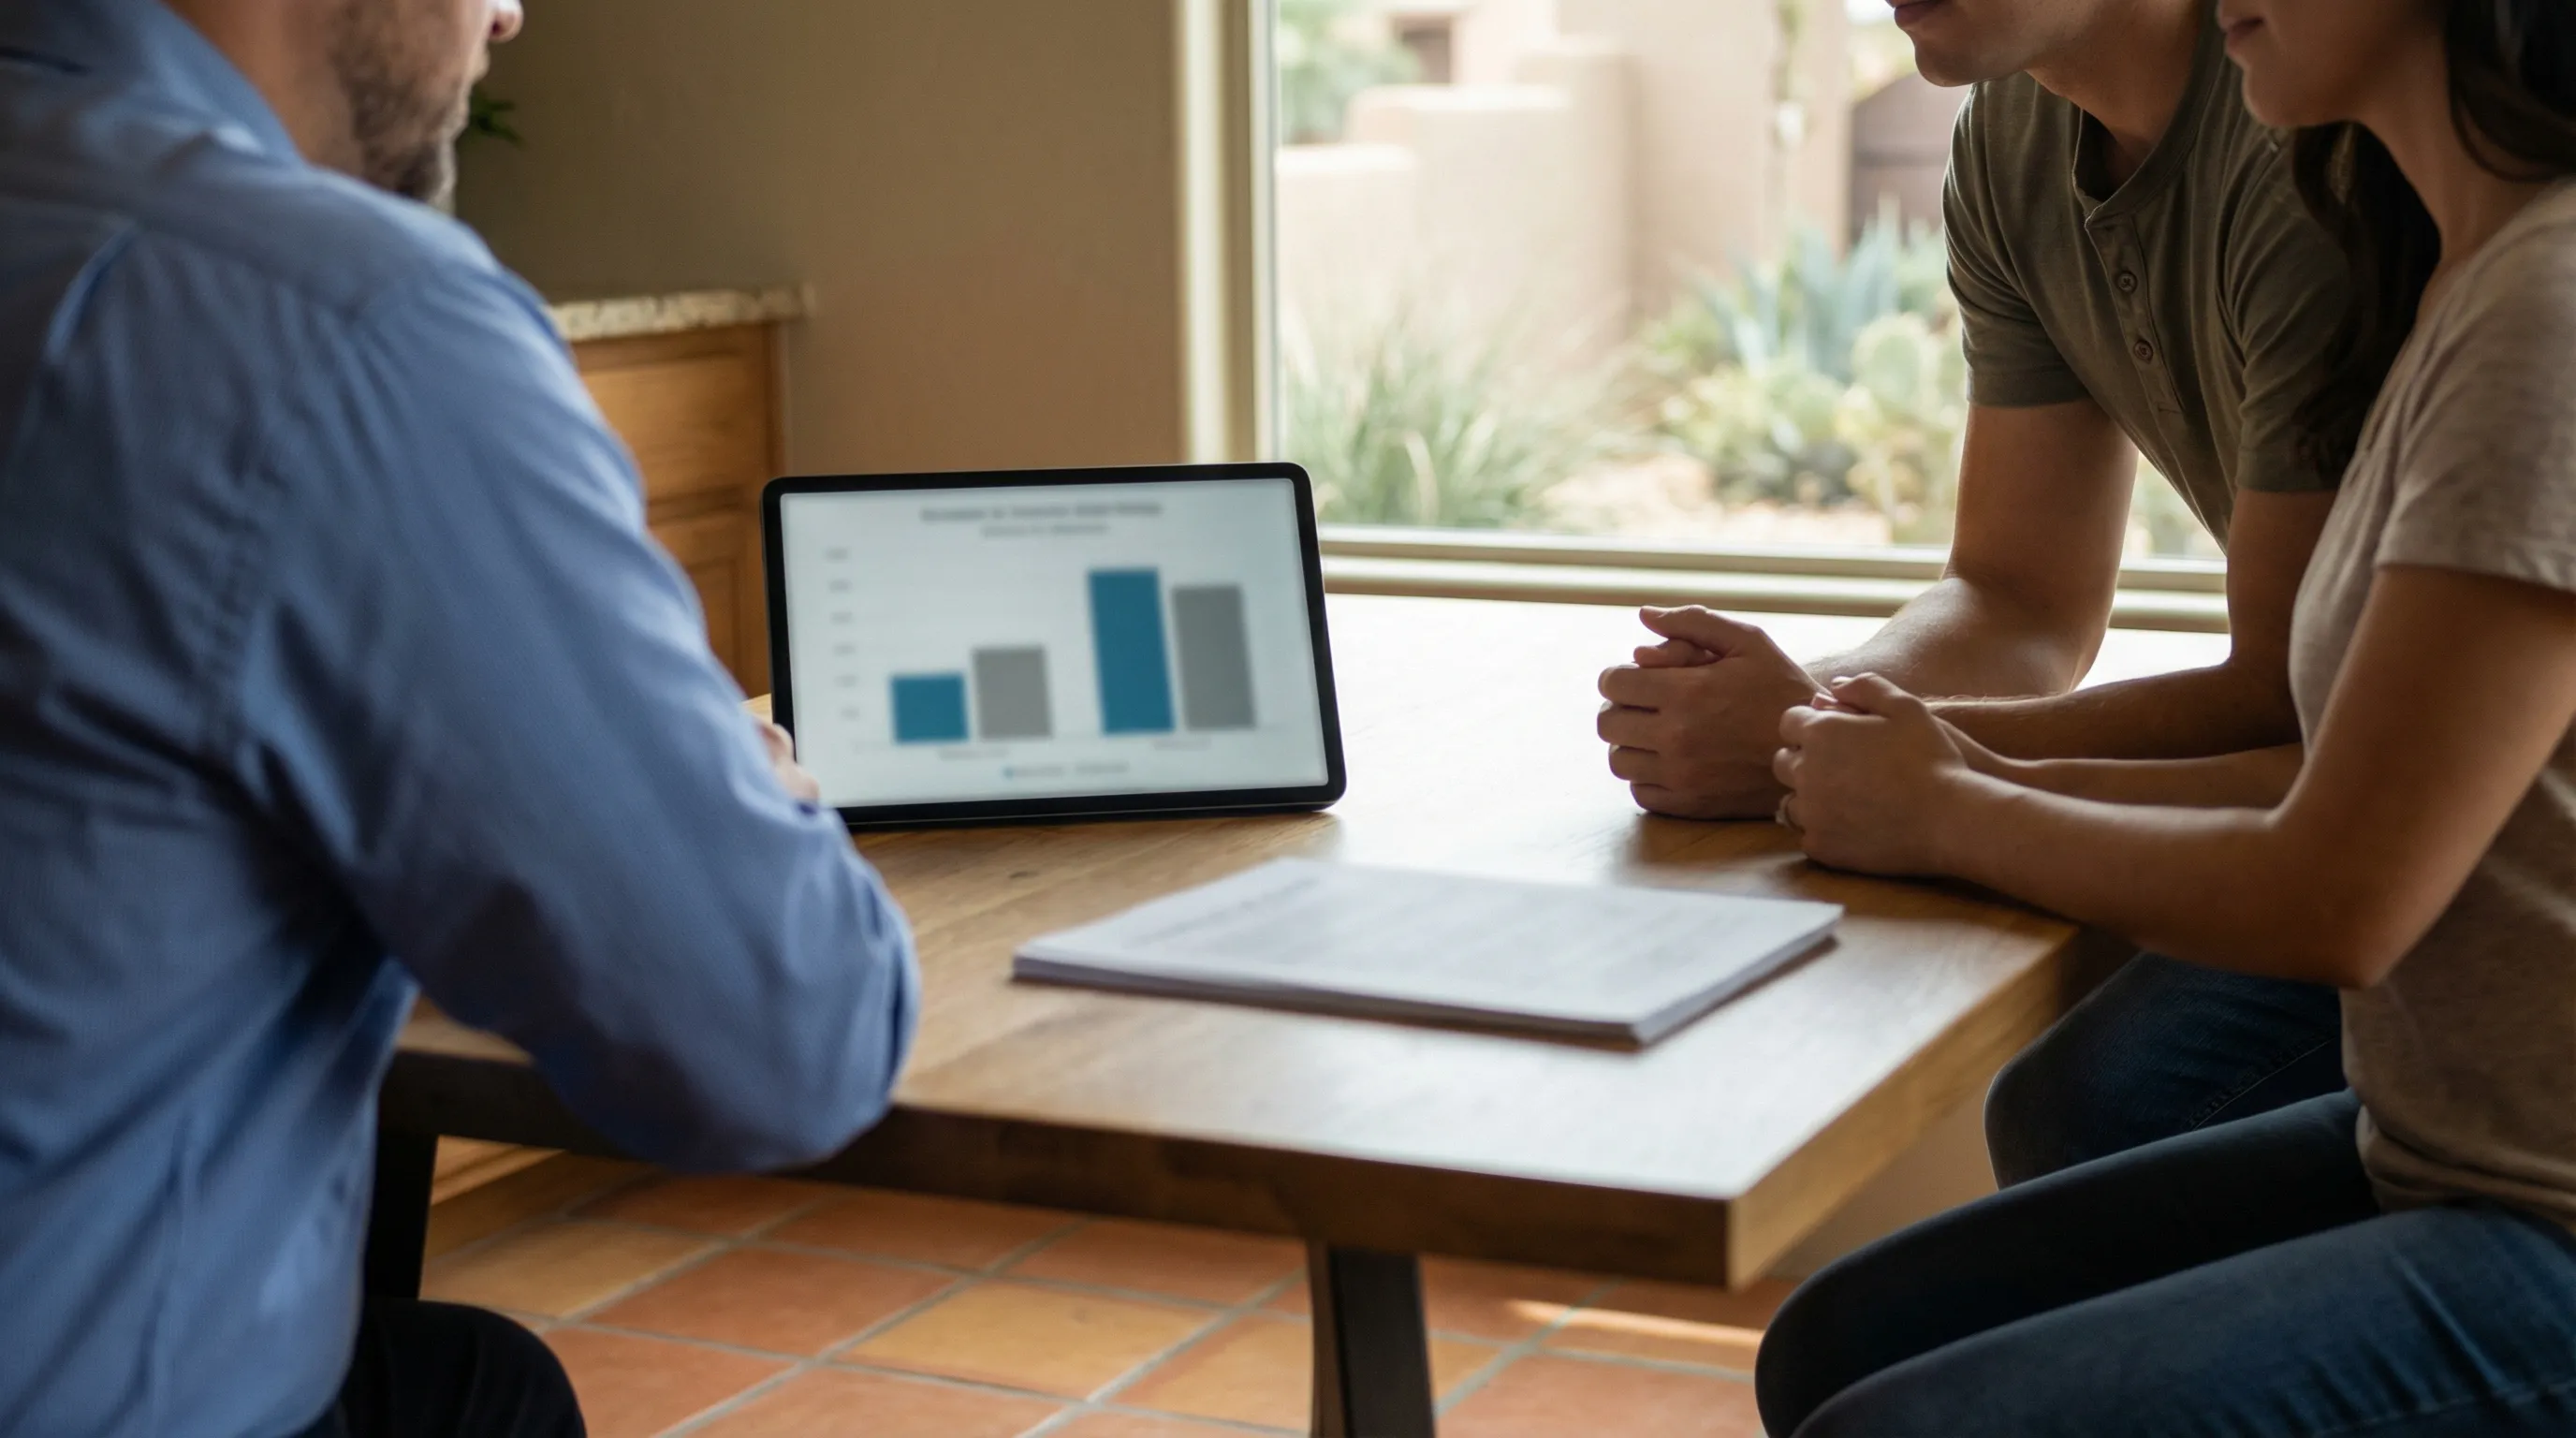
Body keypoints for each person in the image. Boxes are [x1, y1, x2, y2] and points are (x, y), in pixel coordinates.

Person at [0, 1, 921, 1435]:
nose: (508, 12)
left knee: (478, 1385)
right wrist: (752, 795)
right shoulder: (340, 319)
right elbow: (784, 1044)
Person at [1755, 0, 2576, 1431]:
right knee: (1837, 1341)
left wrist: (1947, 805)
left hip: (2547, 1205)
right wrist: (1927, 764)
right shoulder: (2461, 267)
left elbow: (2336, 895)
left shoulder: (2541, 310)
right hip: (2458, 1142)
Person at [1599, 0, 2369, 1189]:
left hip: (2471, 822)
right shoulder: (2012, 132)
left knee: (2094, 1110)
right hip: (2356, 778)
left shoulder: (2307, 142)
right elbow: (2017, 596)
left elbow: (2294, 701)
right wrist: (1821, 707)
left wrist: (1827, 745)